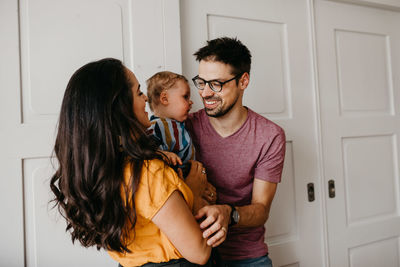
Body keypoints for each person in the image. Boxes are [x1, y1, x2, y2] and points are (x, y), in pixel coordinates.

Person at [50, 58, 212, 267]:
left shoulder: (103, 173)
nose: (145, 98)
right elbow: (199, 252)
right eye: (138, 92)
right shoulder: (147, 173)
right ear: (119, 107)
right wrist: (195, 193)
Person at [186, 37, 286, 267]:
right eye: (201, 82)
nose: (205, 93)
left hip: (246, 256)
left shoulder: (269, 135)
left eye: (216, 84)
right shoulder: (184, 127)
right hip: (190, 252)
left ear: (243, 81)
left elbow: (261, 210)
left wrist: (227, 214)